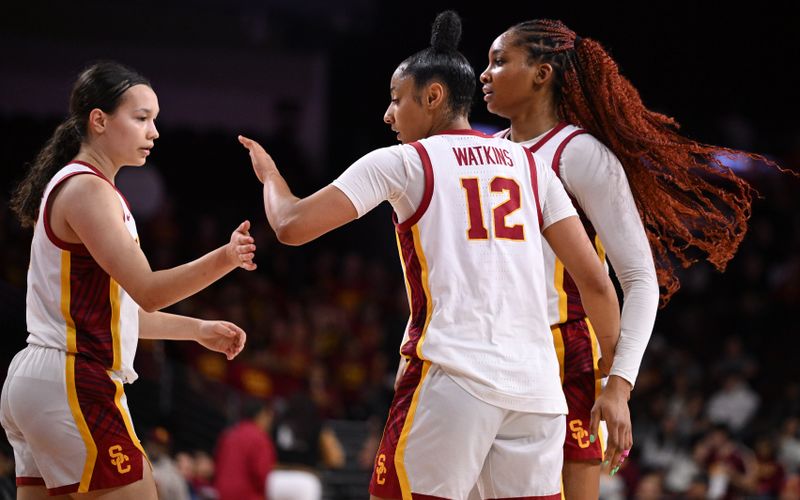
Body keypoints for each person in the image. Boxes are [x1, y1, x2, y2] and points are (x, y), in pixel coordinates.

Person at [240, 11, 627, 499]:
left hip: (454, 380)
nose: (388, 114)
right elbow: (596, 283)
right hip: (538, 394)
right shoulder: (531, 166)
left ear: (433, 96)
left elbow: (291, 226)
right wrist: (615, 385)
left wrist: (271, 176)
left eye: (396, 100)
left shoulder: (405, 161)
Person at [479, 18, 775, 499]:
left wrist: (619, 384)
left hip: (565, 361)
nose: (483, 73)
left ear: (542, 73)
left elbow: (640, 279)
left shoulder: (580, 155)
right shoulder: (484, 155)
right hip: (488, 357)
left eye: (499, 61)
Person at [0, 61, 255, 499]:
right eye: (141, 118)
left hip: (38, 381)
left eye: (154, 119)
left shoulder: (81, 186)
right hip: (73, 379)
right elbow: (149, 290)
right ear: (98, 120)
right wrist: (227, 257)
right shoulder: (88, 190)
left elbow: (120, 311)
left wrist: (197, 330)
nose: (154, 132)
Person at [214, 398, 276, 500]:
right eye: (268, 416)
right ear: (260, 415)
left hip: (222, 495)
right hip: (247, 495)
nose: (270, 422)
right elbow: (262, 475)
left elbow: (218, 465)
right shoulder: (260, 438)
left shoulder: (229, 434)